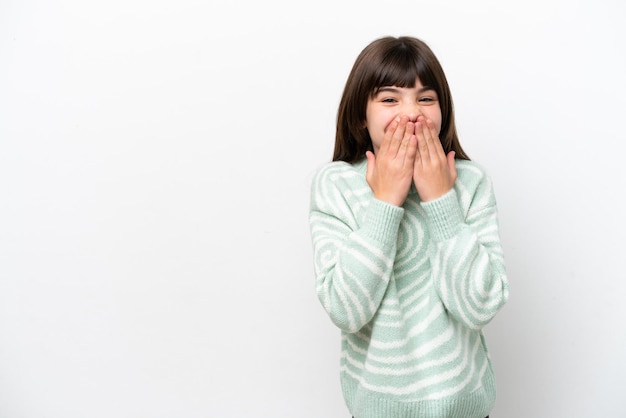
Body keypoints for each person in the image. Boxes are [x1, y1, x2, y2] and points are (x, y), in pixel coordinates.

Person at [308, 36, 509, 418]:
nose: (411, 113)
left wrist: (440, 201)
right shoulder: (335, 185)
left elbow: (480, 307)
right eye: (389, 99)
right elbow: (346, 309)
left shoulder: (470, 183)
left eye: (426, 99)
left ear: (443, 112)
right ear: (359, 116)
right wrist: (385, 201)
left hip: (466, 409)